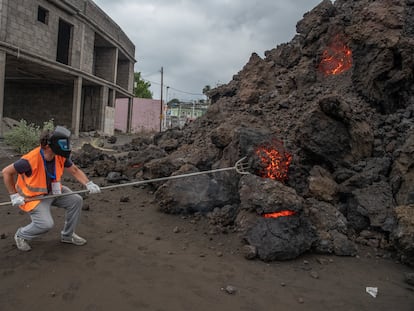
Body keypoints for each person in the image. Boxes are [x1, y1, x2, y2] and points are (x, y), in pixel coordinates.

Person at [2, 125, 101, 251]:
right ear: (48, 145)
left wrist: (88, 183)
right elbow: (6, 172)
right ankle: (21, 235)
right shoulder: (29, 160)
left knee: (76, 200)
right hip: (33, 197)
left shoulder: (59, 155)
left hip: (53, 191)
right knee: (45, 224)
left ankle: (67, 235)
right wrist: (14, 195)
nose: (66, 146)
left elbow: (75, 171)